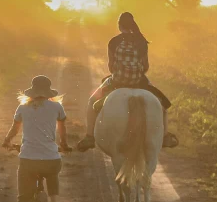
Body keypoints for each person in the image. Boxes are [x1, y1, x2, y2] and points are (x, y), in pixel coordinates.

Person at [76, 12, 177, 152]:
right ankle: (165, 136)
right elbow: (145, 66)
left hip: (117, 81)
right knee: (162, 107)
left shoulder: (114, 42)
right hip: (139, 81)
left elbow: (111, 66)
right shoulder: (141, 42)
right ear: (133, 24)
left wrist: (120, 72)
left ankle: (89, 137)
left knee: (92, 102)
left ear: (119, 26)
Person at [0, 75, 70, 202]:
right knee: (53, 169)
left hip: (28, 161)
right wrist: (63, 145)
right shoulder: (57, 107)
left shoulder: (22, 108)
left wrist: (7, 141)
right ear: (49, 92)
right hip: (51, 160)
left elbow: (15, 129)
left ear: (31, 92)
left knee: (23, 200)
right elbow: (62, 130)